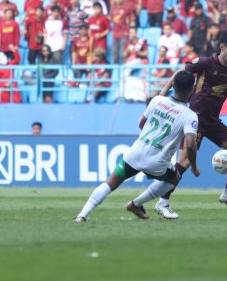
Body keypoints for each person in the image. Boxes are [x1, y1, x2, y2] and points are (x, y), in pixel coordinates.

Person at [73, 70, 199, 222]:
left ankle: (82, 215)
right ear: (192, 89)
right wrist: (193, 166)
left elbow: (141, 123)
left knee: (110, 183)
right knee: (175, 178)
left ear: (173, 84)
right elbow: (191, 145)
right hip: (158, 162)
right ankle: (136, 203)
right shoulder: (190, 115)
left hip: (136, 153)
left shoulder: (156, 101)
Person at [155, 29, 227, 219]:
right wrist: (161, 98)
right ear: (222, 46)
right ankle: (162, 202)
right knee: (185, 162)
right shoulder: (205, 63)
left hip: (213, 121)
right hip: (194, 120)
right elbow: (179, 75)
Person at [109, 0, 131, 65]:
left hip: (124, 33)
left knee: (122, 54)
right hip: (115, 34)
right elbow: (111, 19)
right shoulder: (113, 9)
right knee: (114, 53)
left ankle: (124, 68)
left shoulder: (126, 8)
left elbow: (131, 20)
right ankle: (116, 69)